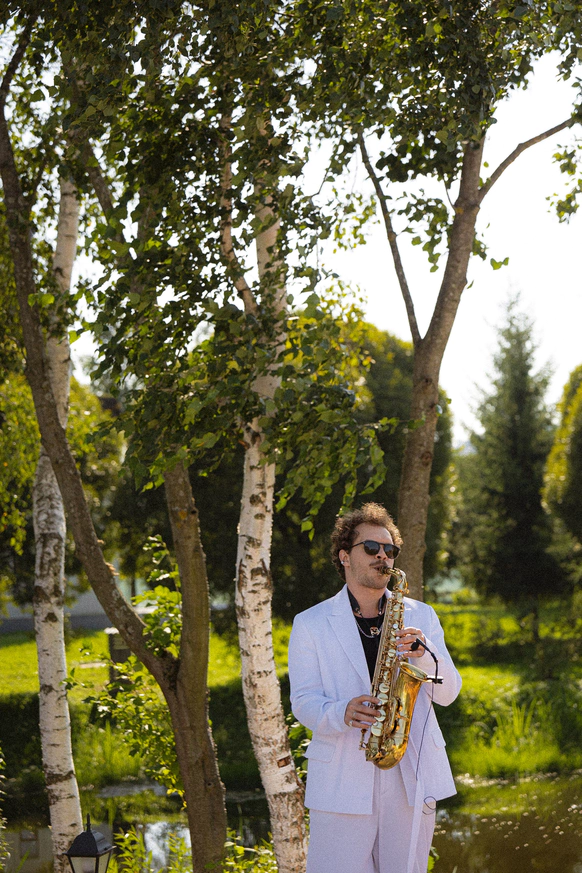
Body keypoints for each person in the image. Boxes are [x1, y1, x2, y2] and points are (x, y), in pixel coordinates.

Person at [288, 503, 461, 873]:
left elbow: (448, 693)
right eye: (371, 548)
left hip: (410, 773)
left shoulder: (422, 616)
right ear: (344, 556)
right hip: (341, 778)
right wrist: (341, 712)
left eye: (389, 550)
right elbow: (302, 700)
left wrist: (424, 655)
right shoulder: (310, 623)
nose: (382, 556)